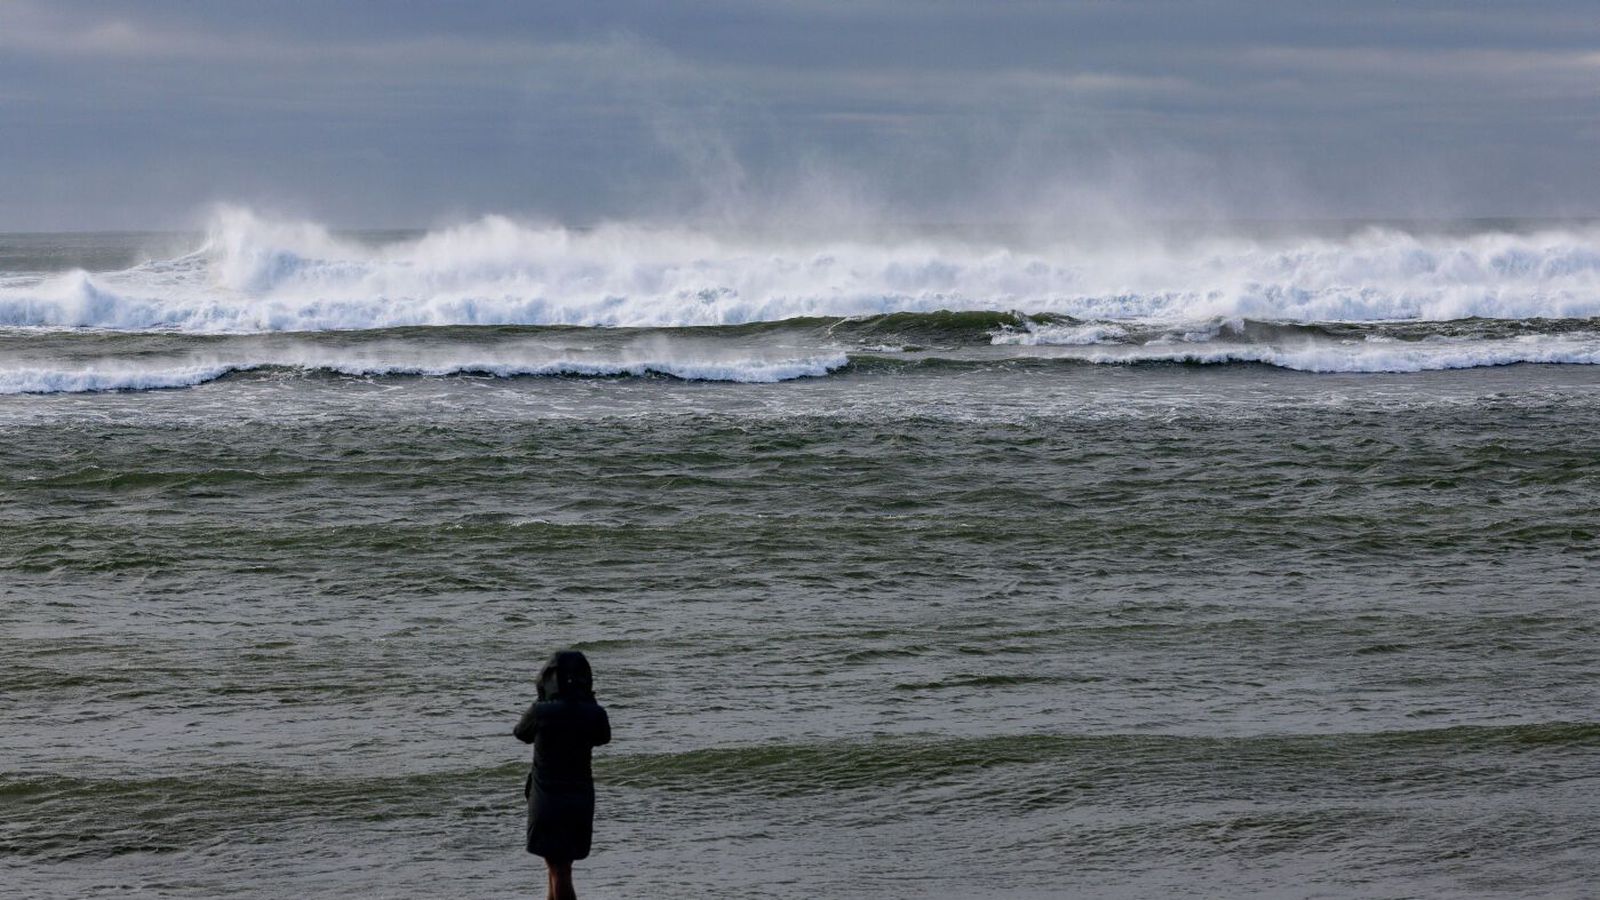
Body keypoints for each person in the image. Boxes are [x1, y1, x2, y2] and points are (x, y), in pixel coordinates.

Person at [514, 650, 611, 900]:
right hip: (579, 798)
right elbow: (604, 736)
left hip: (547, 800)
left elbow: (521, 733)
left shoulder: (541, 712)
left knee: (558, 870)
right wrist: (588, 701)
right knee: (559, 868)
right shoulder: (593, 713)